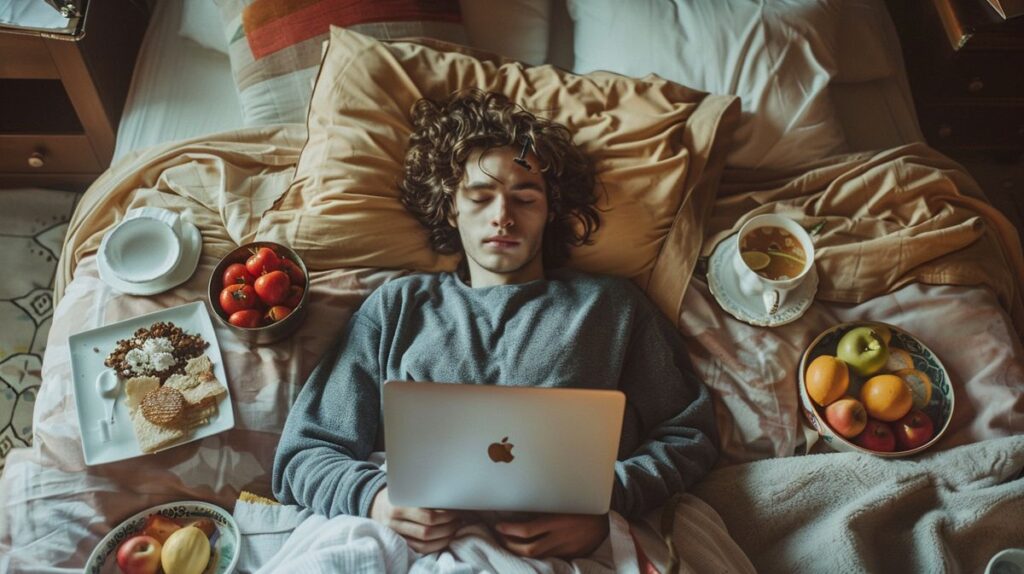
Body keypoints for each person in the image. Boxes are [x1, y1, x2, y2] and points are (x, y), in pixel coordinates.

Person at [273, 89, 719, 560]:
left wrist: (605, 505)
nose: (503, 217)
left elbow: (689, 434)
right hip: (405, 549)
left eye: (525, 198)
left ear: (551, 211)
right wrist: (375, 500)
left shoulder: (611, 308)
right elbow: (303, 454)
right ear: (451, 207)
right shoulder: (396, 307)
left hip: (564, 555)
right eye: (481, 197)